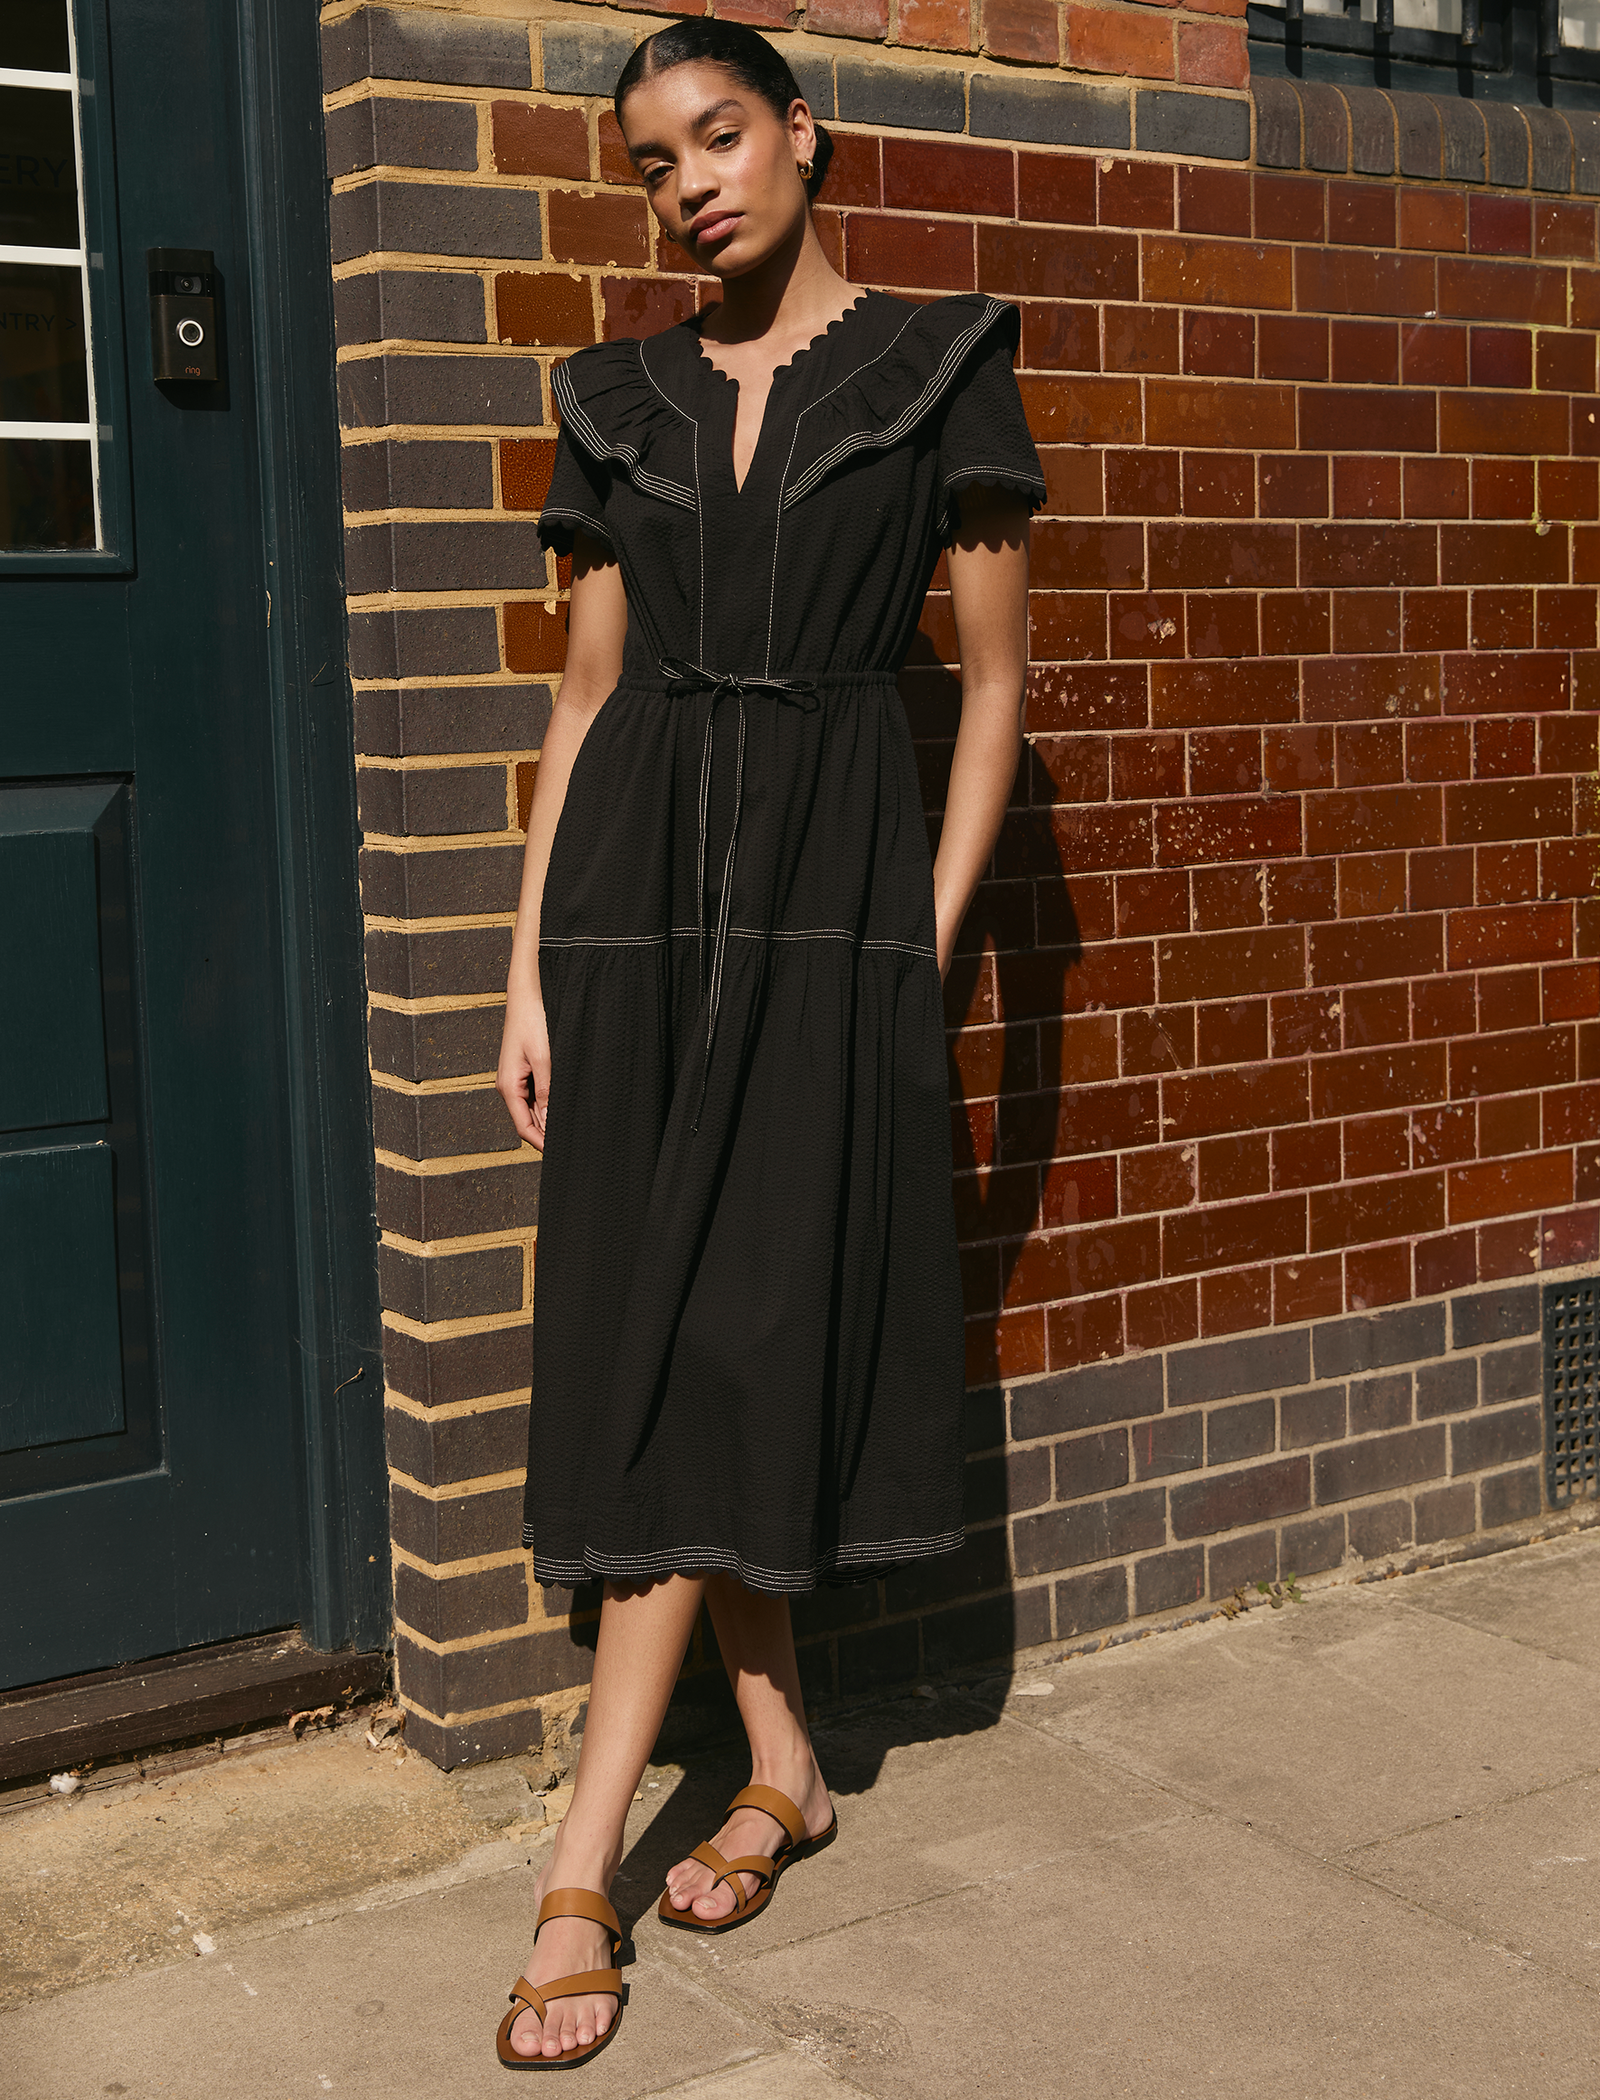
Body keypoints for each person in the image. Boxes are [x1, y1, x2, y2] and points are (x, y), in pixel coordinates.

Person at [492, 17, 1042, 2069]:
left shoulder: (939, 363)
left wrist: (912, 943)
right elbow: (580, 701)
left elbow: (989, 688)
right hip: (631, 912)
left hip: (824, 910)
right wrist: (523, 971)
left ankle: (577, 1863)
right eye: (653, 162)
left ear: (803, 133)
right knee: (673, 1324)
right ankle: (782, 1760)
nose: (689, 185)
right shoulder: (610, 396)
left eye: (718, 136)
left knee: (709, 1339)